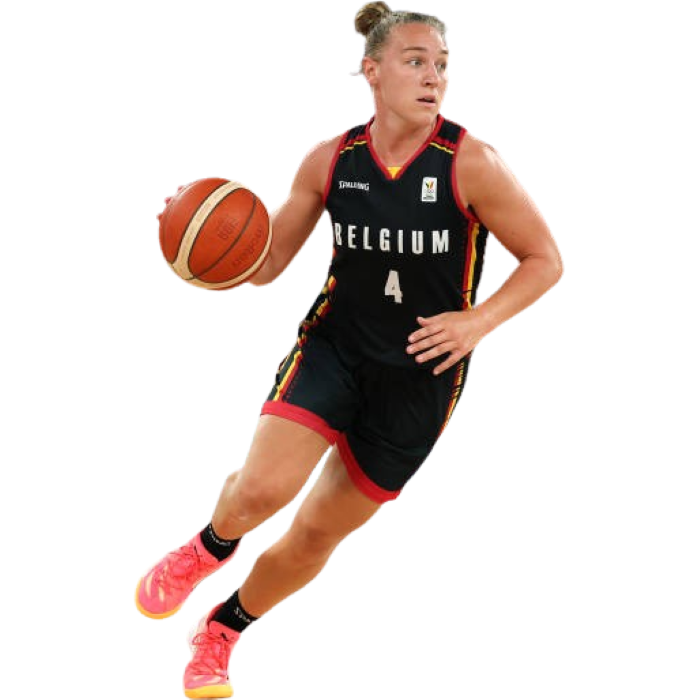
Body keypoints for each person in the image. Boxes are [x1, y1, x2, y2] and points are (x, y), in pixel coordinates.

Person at [138, 3, 565, 698]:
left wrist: (477, 322)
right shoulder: (331, 159)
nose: (434, 77)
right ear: (371, 70)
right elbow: (267, 265)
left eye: (443, 65)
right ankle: (206, 548)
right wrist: (199, 237)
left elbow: (546, 259)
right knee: (263, 490)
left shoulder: (472, 162)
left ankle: (222, 631)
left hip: (421, 380)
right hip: (334, 350)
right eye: (415, 61)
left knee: (314, 535)